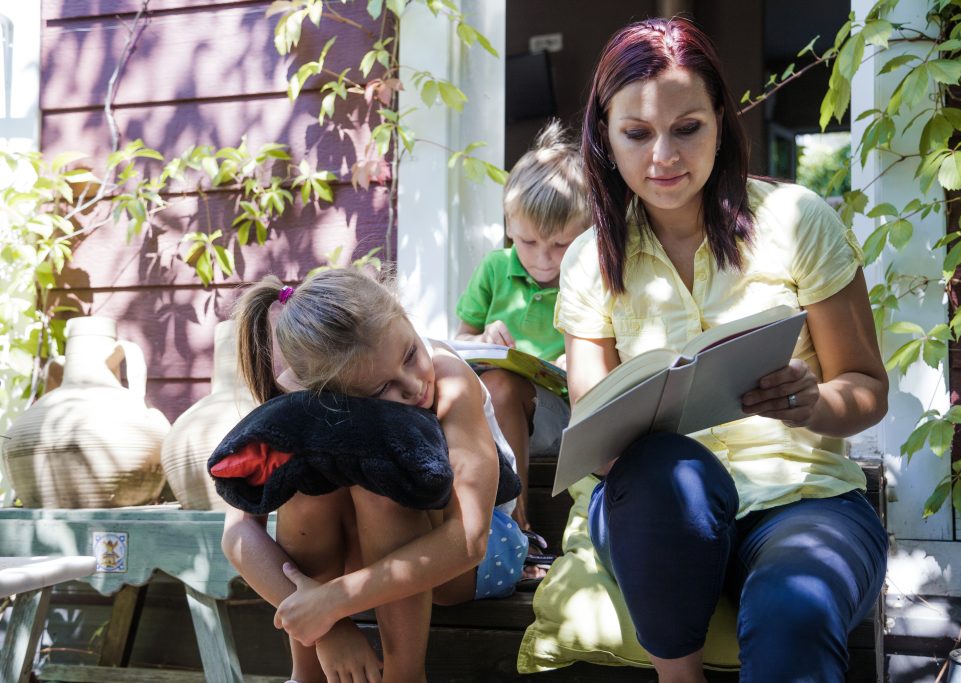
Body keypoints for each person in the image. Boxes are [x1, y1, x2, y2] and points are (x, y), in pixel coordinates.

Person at [554, 17, 889, 683]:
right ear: (605, 137)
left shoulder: (798, 219)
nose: (664, 157)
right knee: (659, 469)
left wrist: (813, 401)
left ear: (721, 122)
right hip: (659, 516)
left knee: (794, 608)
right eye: (637, 134)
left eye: (688, 128)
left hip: (803, 503)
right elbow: (595, 436)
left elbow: (867, 389)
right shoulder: (589, 260)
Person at [221, 268, 529, 683]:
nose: (414, 385)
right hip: (366, 565)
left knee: (382, 488)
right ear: (327, 393)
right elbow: (238, 534)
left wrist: (332, 601)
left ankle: (405, 677)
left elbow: (469, 541)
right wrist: (326, 627)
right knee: (307, 487)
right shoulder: (301, 405)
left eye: (409, 355)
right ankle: (307, 675)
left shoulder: (452, 383)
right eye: (379, 390)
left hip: (479, 551)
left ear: (403, 314)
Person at [455, 119, 589, 571]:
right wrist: (483, 338)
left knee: (503, 387)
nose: (541, 258)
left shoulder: (590, 274)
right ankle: (506, 528)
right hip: (501, 412)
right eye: (527, 241)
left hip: (568, 413)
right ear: (508, 225)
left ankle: (521, 527)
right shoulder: (495, 269)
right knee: (495, 384)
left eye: (560, 245)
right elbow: (460, 341)